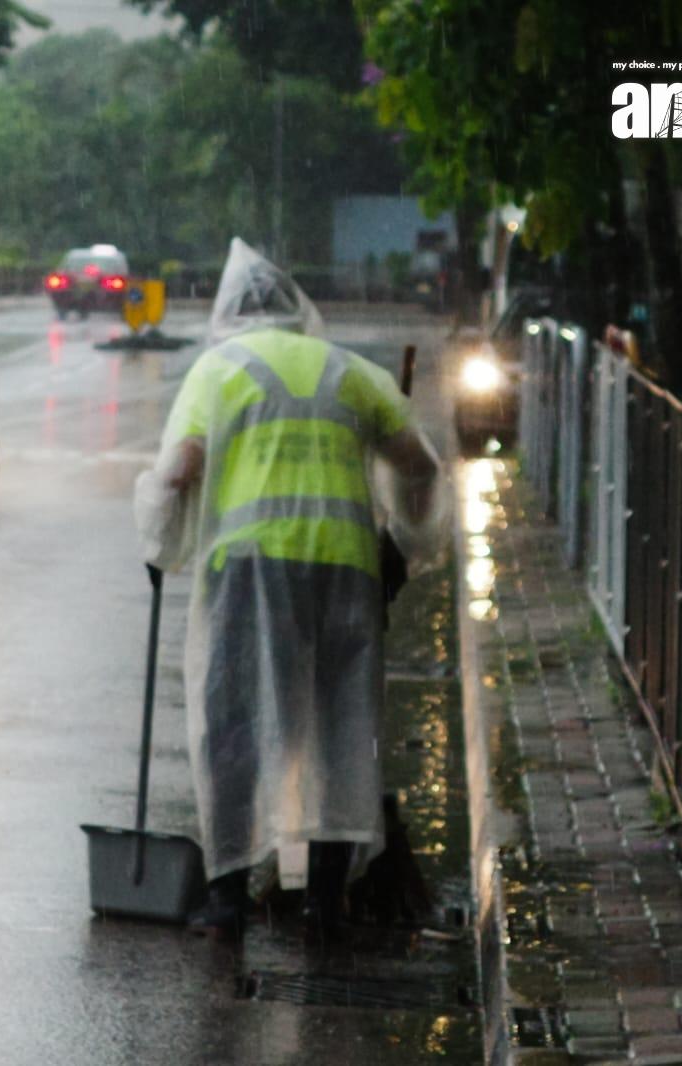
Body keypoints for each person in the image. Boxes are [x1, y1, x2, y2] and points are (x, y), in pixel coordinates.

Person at [134, 238, 444, 939]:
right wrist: (399, 542)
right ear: (295, 308)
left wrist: (158, 536)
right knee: (340, 727)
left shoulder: (220, 371)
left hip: (249, 571)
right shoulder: (349, 371)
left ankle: (228, 899)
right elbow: (419, 465)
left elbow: (179, 470)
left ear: (228, 311)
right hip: (346, 571)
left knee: (234, 726)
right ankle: (324, 901)